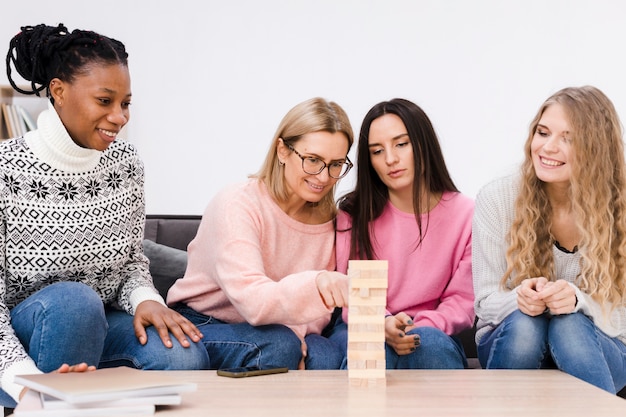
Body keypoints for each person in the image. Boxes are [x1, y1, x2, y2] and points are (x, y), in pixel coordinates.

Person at [0, 23, 208, 408]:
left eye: (126, 103)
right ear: (59, 92)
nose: (119, 116)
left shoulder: (126, 165)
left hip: (98, 327)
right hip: (16, 345)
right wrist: (22, 382)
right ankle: (36, 404)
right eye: (105, 101)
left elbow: (130, 261)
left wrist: (147, 298)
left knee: (183, 356)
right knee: (74, 305)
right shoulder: (6, 171)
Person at [167, 97, 354, 370]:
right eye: (313, 160)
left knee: (321, 353)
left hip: (277, 329)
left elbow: (318, 314)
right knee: (279, 345)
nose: (324, 177)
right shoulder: (237, 203)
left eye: (336, 164)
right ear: (282, 150)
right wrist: (318, 284)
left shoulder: (331, 223)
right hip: (207, 322)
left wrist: (298, 332)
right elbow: (254, 302)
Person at [473, 86, 626, 394]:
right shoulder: (497, 197)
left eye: (568, 138)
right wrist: (519, 299)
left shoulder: (619, 206)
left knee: (568, 324)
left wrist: (577, 301)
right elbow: (485, 303)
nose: (548, 147)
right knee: (527, 326)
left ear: (596, 149)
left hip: (599, 346)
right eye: (543, 133)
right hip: (513, 341)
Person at [329, 98, 474, 369]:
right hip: (364, 325)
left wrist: (414, 327)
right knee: (375, 352)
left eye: (401, 144)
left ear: (423, 143)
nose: (390, 159)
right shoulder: (354, 214)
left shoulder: (466, 214)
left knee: (429, 344)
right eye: (377, 151)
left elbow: (462, 301)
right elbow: (354, 293)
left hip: (433, 330)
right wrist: (382, 323)